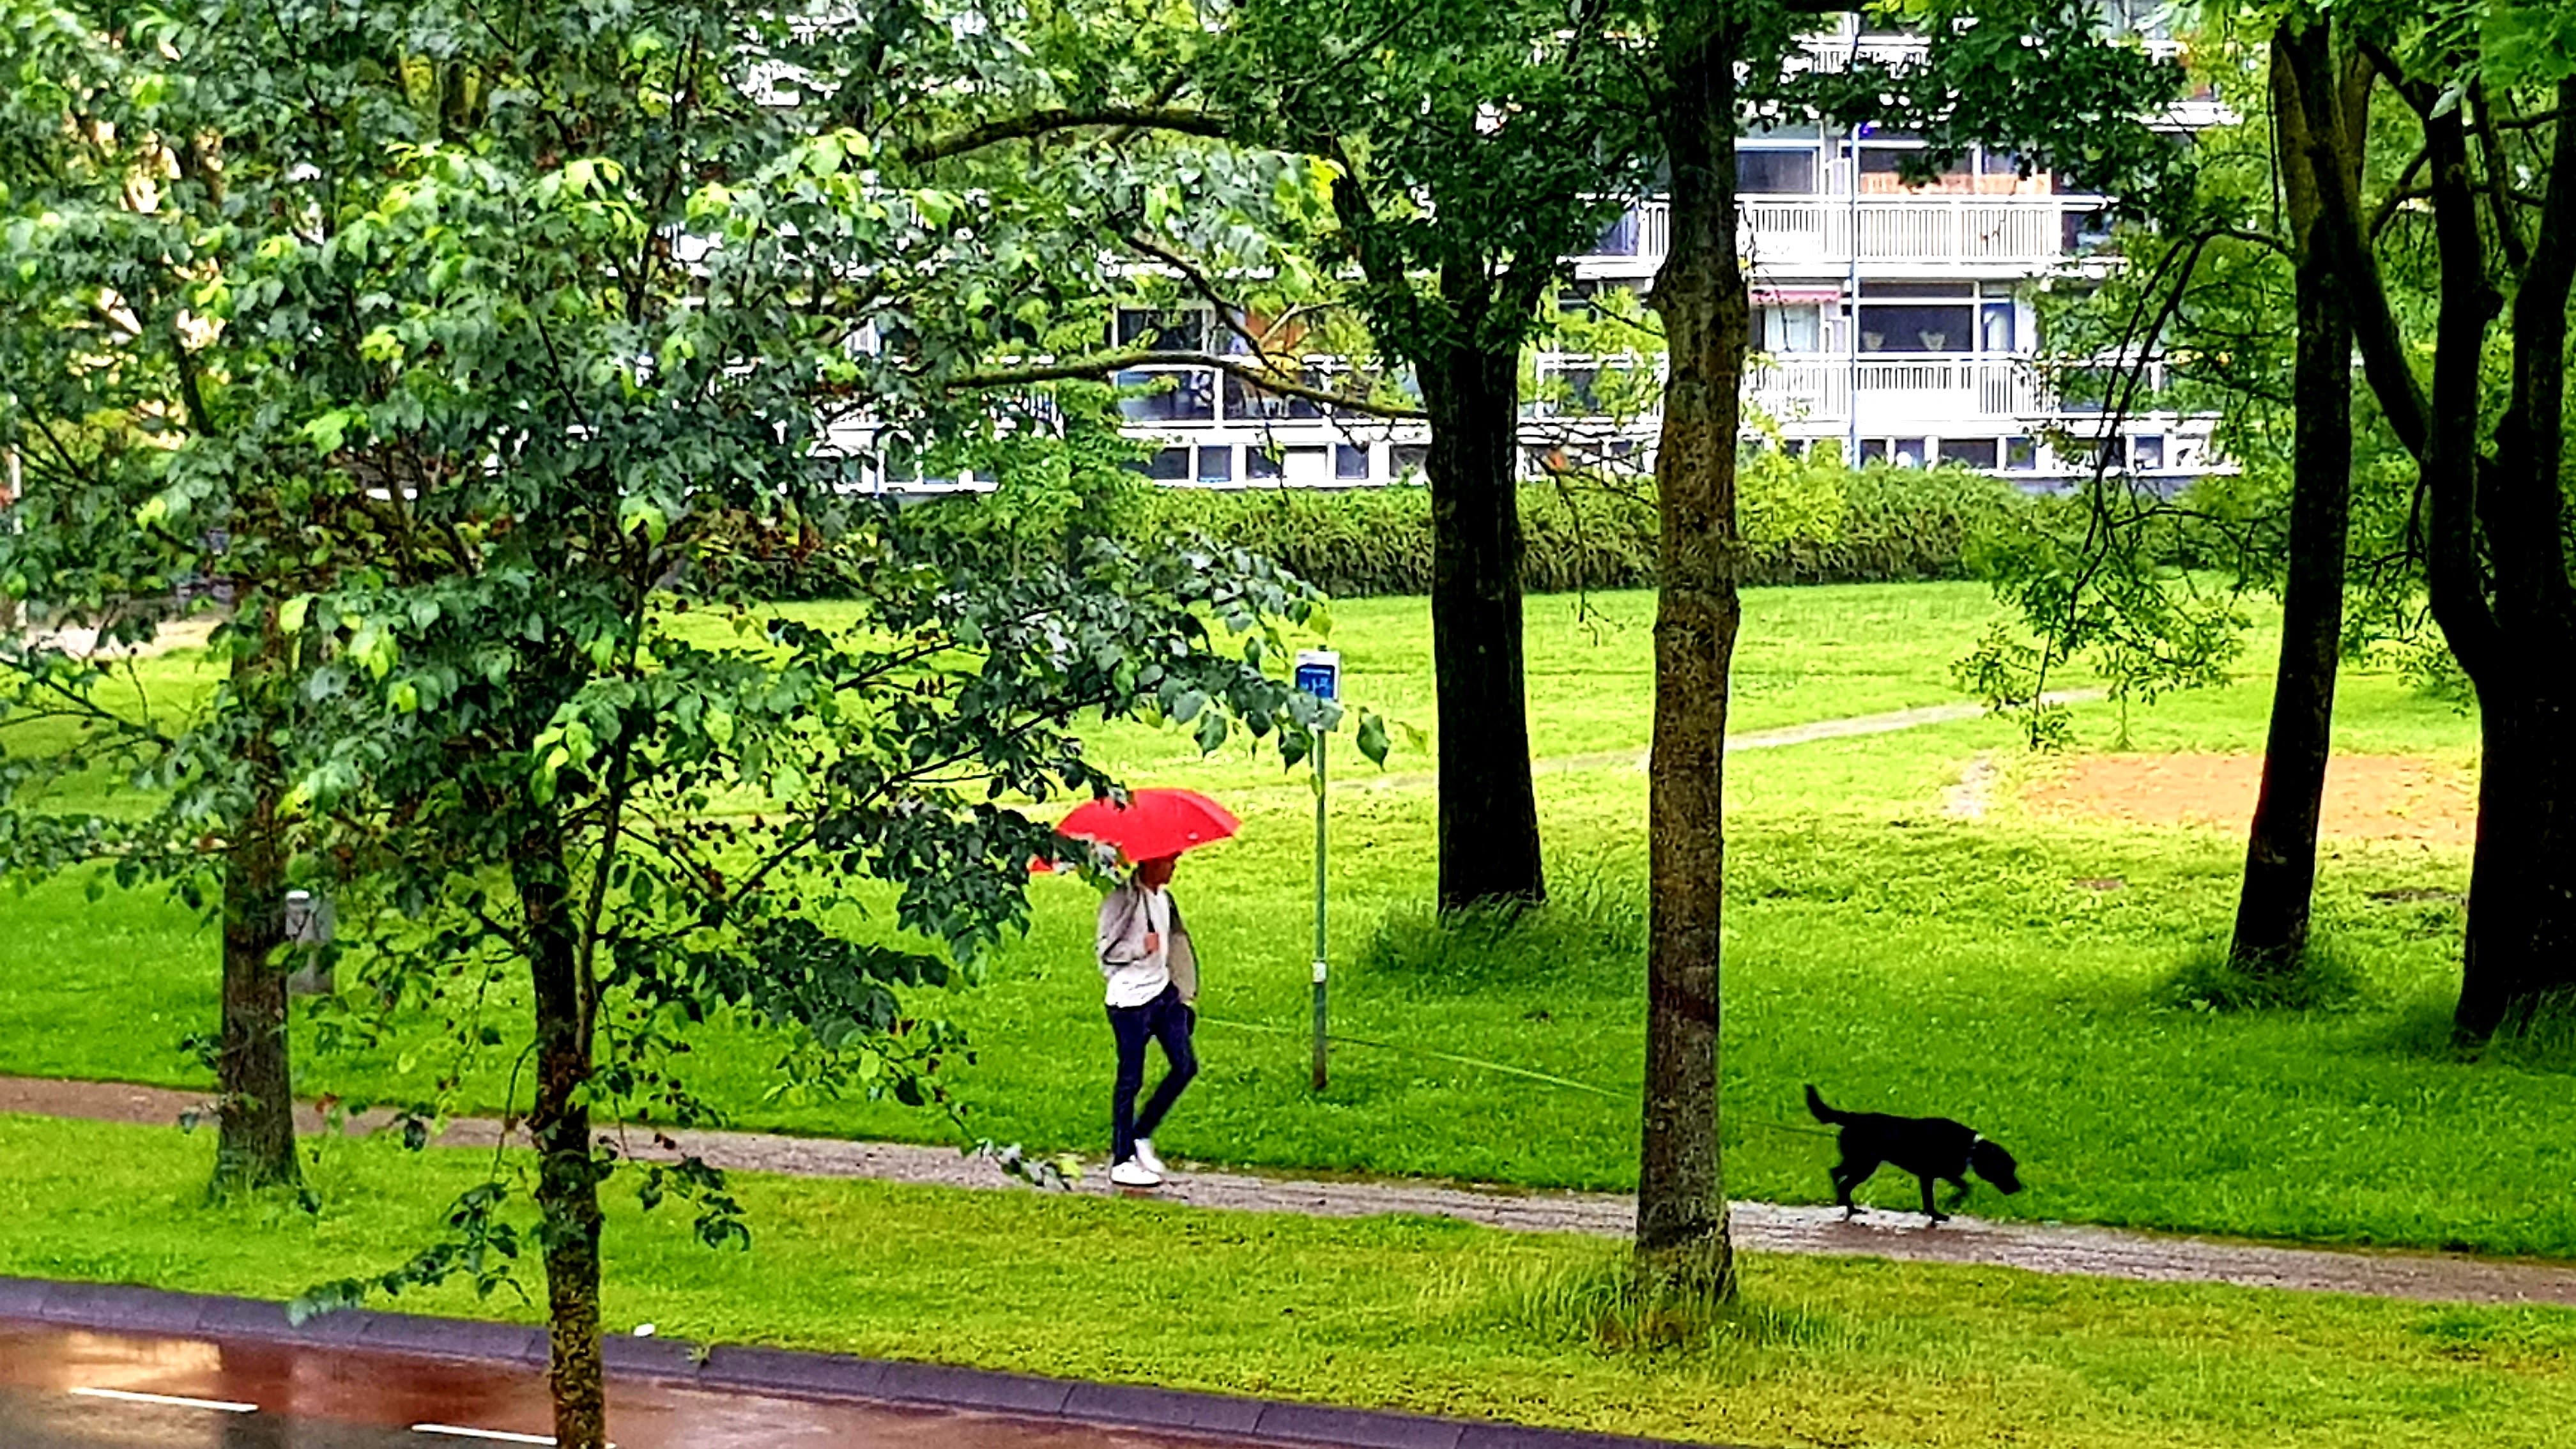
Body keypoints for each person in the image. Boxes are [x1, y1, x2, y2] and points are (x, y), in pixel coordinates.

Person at [1096, 853, 1199, 1188]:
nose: (1175, 867)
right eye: (1170, 862)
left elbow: (1178, 943)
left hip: (1162, 994)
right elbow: (1106, 952)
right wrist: (1140, 948)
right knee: (1130, 1079)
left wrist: (1185, 993)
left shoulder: (1164, 899)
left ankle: (1141, 1134)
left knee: (1185, 1066)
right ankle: (1121, 1159)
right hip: (1129, 1002)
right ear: (1151, 863)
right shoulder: (1122, 900)